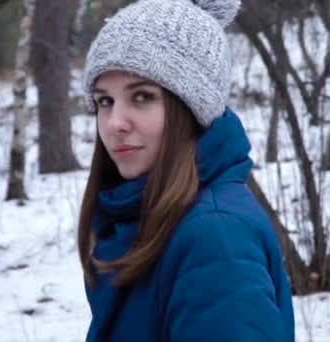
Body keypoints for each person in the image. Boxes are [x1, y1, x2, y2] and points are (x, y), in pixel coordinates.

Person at [77, 0, 295, 340]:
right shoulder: (142, 216)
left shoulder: (215, 238)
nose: (115, 122)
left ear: (192, 108)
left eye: (142, 97)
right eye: (105, 101)